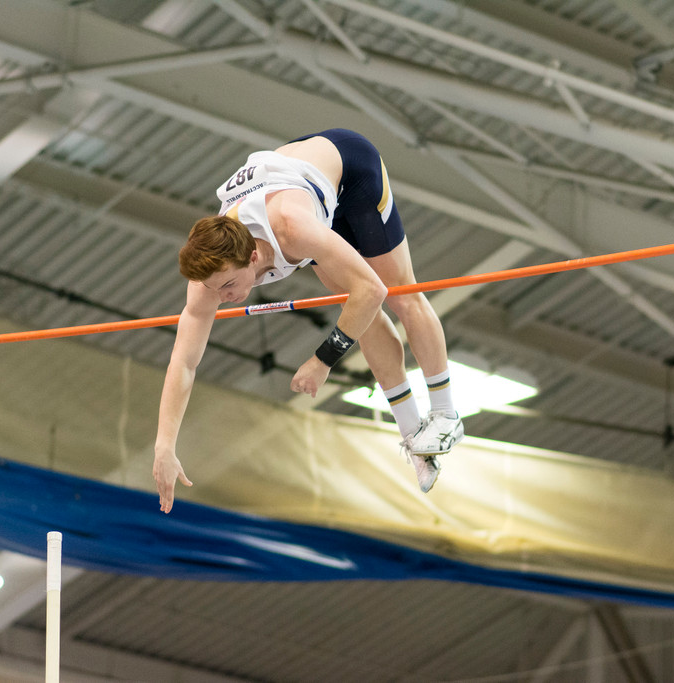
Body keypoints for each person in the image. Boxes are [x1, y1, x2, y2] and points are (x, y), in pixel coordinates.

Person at [152, 129, 464, 512]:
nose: (224, 298)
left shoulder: (292, 228)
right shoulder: (207, 282)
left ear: (252, 258)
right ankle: (413, 433)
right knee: (357, 311)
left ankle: (446, 413)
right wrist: (164, 446)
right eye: (216, 289)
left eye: (229, 285)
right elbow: (184, 362)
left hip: (351, 171)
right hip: (307, 194)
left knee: (399, 293)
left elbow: (373, 291)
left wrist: (321, 362)